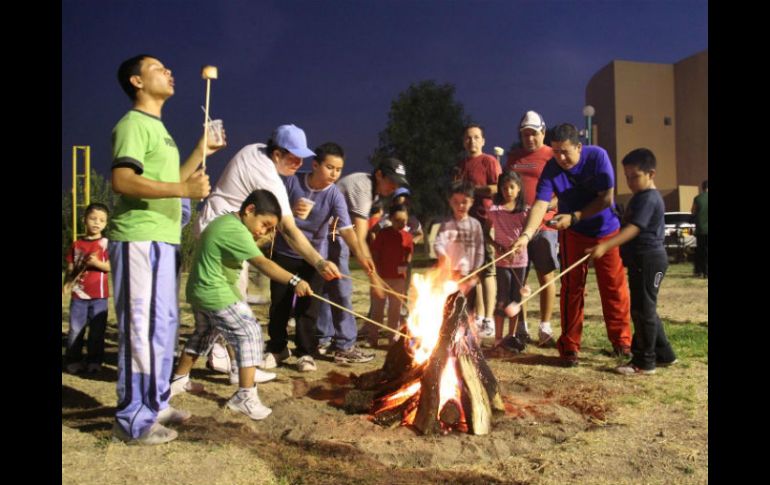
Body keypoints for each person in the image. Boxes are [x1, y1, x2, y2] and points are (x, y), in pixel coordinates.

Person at [109, 54, 224, 445]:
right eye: (158, 68)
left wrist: (200, 150)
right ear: (136, 81)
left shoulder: (161, 130)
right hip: (138, 238)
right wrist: (183, 190)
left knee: (163, 329)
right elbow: (123, 180)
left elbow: (173, 179)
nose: (169, 72)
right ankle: (132, 421)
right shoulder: (132, 124)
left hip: (163, 239)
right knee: (140, 330)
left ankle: (155, 403)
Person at [188, 124, 347, 374]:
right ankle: (235, 366)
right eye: (293, 157)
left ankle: (221, 358)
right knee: (231, 302)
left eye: (301, 157)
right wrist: (319, 262)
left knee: (221, 304)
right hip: (224, 233)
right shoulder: (269, 176)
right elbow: (289, 230)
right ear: (277, 154)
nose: (298, 162)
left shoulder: (253, 149)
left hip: (221, 228)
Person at [173, 190, 312, 420]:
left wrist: (262, 236)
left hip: (200, 289)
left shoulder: (228, 223)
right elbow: (262, 263)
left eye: (269, 229)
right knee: (249, 331)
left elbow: (255, 247)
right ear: (249, 210)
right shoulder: (235, 230)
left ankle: (179, 380)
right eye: (264, 224)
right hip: (213, 291)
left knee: (204, 333)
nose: (264, 231)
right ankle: (245, 396)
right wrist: (294, 280)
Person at [512, 123, 632, 367]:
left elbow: (607, 198)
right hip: (573, 235)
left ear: (579, 146)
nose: (561, 158)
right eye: (555, 152)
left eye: (565, 151)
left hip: (606, 232)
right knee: (571, 289)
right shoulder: (552, 168)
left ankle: (622, 342)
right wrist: (525, 236)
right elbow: (540, 204)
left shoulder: (597, 156)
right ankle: (569, 346)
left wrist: (575, 216)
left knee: (613, 287)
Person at [267, 142, 372, 372]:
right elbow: (273, 209)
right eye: (329, 167)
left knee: (309, 307)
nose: (334, 174)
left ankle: (306, 352)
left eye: (338, 169)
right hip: (286, 252)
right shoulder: (292, 181)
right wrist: (291, 211)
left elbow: (345, 229)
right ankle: (277, 347)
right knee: (280, 304)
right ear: (315, 165)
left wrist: (360, 254)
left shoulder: (334, 195)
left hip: (315, 257)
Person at [586, 148, 677, 374]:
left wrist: (605, 246)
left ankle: (644, 362)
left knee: (643, 310)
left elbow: (634, 229)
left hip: (649, 259)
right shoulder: (640, 198)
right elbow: (628, 222)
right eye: (626, 177)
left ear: (651, 174)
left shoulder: (649, 198)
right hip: (639, 260)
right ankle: (664, 353)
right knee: (645, 308)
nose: (630, 182)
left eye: (635, 176)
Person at [316, 158, 407, 363]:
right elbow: (360, 238)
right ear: (379, 175)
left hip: (329, 232)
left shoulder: (369, 188)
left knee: (328, 285)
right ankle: (344, 345)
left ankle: (324, 338)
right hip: (331, 234)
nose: (394, 186)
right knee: (341, 287)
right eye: (391, 180)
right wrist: (374, 278)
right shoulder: (363, 188)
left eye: (398, 183)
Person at [506, 111, 559, 347]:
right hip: (518, 227)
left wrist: (546, 208)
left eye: (534, 134)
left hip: (545, 224)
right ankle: (522, 327)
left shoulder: (551, 155)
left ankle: (545, 326)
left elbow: (562, 190)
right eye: (525, 134)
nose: (529, 138)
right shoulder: (514, 157)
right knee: (520, 279)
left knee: (546, 275)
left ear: (543, 133)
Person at [454, 124, 501, 338]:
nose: (471, 141)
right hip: (466, 223)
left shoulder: (489, 161)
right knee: (471, 272)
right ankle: (475, 317)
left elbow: (496, 188)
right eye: (468, 138)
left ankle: (489, 319)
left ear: (483, 140)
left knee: (488, 271)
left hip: (485, 221)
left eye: (476, 137)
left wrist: (471, 190)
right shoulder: (461, 164)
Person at [64, 203, 111, 374]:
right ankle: (73, 360)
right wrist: (67, 283)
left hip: (100, 296)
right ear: (85, 220)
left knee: (97, 332)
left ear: (106, 224)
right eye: (93, 218)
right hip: (78, 295)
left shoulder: (106, 244)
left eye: (101, 220)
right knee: (76, 329)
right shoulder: (76, 244)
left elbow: (109, 266)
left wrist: (97, 263)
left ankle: (94, 361)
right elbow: (70, 268)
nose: (96, 222)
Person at [487, 172, 529, 349]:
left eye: (512, 187)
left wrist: (516, 247)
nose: (508, 191)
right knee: (502, 299)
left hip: (520, 261)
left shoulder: (525, 212)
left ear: (519, 188)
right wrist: (496, 246)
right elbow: (485, 232)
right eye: (504, 188)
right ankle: (498, 338)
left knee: (516, 299)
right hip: (502, 262)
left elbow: (529, 234)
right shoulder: (494, 211)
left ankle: (511, 336)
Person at [433, 180, 484, 316]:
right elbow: (438, 243)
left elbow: (479, 250)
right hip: (450, 273)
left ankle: (466, 335)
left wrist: (476, 269)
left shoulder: (475, 225)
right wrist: (443, 256)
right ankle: (448, 335)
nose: (460, 205)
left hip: (468, 273)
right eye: (456, 201)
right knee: (449, 307)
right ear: (450, 202)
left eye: (464, 202)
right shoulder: (447, 224)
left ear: (472, 202)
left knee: (468, 308)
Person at [366, 204, 414, 347]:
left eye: (404, 220)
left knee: (395, 310)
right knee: (377, 310)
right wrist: (375, 273)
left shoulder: (407, 236)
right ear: (391, 219)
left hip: (398, 279)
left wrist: (406, 264)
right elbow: (375, 252)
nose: (402, 224)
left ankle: (392, 338)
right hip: (381, 278)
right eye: (398, 220)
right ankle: (372, 337)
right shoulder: (383, 234)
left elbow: (409, 254)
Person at [691, 180, 708, 278]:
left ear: (702, 187)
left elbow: (693, 211)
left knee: (701, 251)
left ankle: (701, 272)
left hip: (701, 229)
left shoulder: (697, 198)